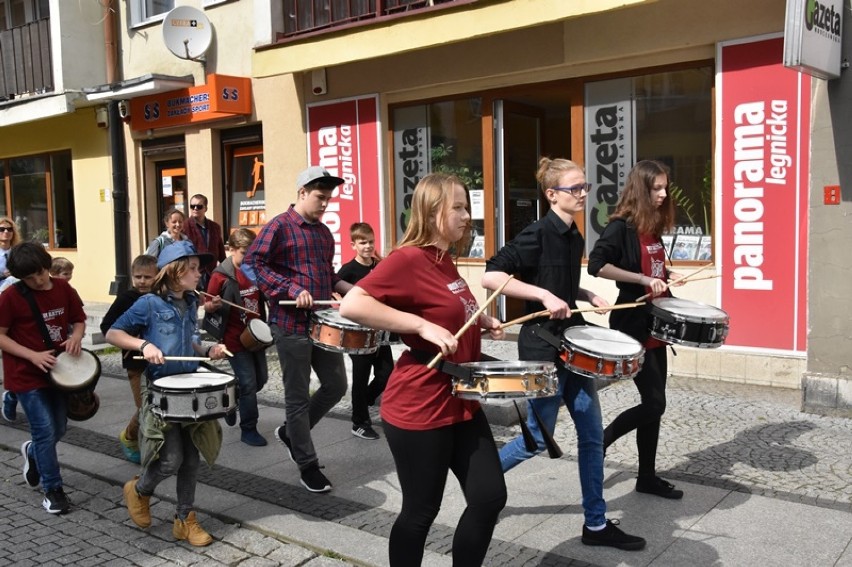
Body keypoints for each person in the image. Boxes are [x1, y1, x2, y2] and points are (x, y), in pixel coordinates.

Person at [340, 173, 507, 566]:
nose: (468, 215)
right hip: (420, 405)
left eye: (468, 206)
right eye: (459, 207)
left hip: (461, 401)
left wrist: (478, 320)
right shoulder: (408, 258)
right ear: (432, 212)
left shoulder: (443, 259)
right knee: (420, 512)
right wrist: (419, 325)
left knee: (489, 497)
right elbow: (353, 305)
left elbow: (447, 308)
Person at [482, 157, 646, 551]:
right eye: (576, 189)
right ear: (551, 194)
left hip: (573, 348)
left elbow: (558, 283)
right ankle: (482, 484)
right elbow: (490, 274)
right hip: (541, 350)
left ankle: (596, 523)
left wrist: (584, 294)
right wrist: (541, 295)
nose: (583, 194)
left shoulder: (573, 235)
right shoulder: (536, 234)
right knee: (537, 440)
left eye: (585, 187)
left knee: (591, 437)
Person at [105, 241, 228, 547]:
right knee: (171, 458)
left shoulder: (190, 301)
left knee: (191, 458)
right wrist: (144, 345)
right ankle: (140, 490)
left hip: (189, 388)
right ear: (175, 271)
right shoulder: (148, 304)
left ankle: (185, 519)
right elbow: (112, 332)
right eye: (194, 269)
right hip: (160, 389)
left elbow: (192, 341)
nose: (200, 274)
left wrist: (208, 349)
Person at [243, 165, 354, 493]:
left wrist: (351, 290)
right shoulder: (278, 225)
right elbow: (253, 264)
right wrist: (291, 290)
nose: (325, 204)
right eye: (320, 197)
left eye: (328, 199)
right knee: (297, 397)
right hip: (289, 324)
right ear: (302, 193)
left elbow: (327, 274)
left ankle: (293, 433)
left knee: (336, 385)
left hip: (321, 322)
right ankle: (307, 463)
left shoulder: (322, 232)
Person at [587, 159, 685, 500]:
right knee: (655, 403)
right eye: (656, 188)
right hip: (634, 325)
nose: (663, 194)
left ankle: (646, 476)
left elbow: (654, 267)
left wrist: (668, 277)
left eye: (665, 187)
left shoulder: (652, 226)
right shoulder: (621, 227)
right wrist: (644, 280)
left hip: (658, 323)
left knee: (654, 402)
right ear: (641, 190)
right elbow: (597, 265)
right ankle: (602, 440)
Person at [0, 242, 86, 514]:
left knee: (58, 428)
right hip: (26, 375)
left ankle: (34, 452)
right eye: (29, 277)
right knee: (45, 431)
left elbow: (79, 319)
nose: (38, 280)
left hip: (59, 371)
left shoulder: (63, 288)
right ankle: (53, 490)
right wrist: (32, 355)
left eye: (41, 272)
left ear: (47, 265)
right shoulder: (11, 297)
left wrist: (75, 336)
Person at [204, 228, 269, 447]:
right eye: (244, 253)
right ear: (231, 250)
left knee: (261, 380)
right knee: (249, 383)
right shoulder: (220, 275)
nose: (249, 258)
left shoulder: (255, 270)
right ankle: (248, 429)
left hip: (255, 335)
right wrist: (211, 305)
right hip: (234, 338)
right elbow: (207, 303)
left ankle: (230, 399)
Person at [99, 254, 159, 464]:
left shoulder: (161, 296)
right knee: (145, 407)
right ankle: (130, 436)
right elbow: (106, 327)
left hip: (159, 361)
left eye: (147, 277)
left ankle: (158, 443)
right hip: (135, 362)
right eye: (138, 276)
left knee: (159, 404)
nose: (142, 281)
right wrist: (130, 338)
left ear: (158, 276)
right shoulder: (126, 299)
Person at [336, 222, 391, 441]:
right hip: (357, 335)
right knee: (360, 378)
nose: (368, 246)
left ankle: (364, 401)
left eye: (371, 241)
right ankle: (359, 422)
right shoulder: (348, 270)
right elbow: (336, 295)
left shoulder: (380, 266)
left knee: (386, 376)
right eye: (363, 242)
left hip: (381, 333)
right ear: (353, 245)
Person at [0, 216, 23, 422]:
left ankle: (12, 393)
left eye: (9, 229)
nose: (5, 233)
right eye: (1, 229)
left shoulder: (17, 252)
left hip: (18, 307)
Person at [184, 194, 226, 290]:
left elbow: (221, 252)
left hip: (211, 273)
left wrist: (225, 270)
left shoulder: (215, 227)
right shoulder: (184, 226)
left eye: (199, 206)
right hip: (193, 273)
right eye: (192, 206)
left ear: (205, 208)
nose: (195, 209)